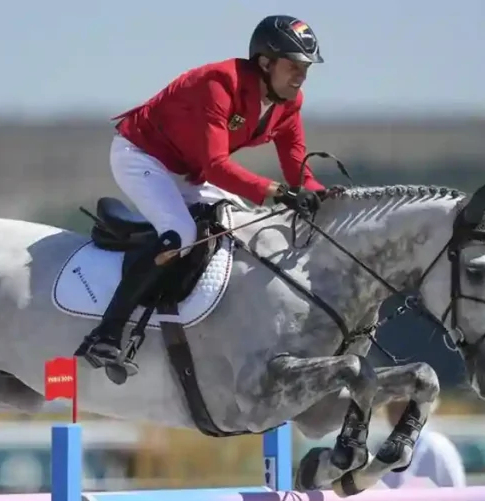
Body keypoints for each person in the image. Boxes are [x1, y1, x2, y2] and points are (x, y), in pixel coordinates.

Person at [76, 15, 331, 376]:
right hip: (141, 156)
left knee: (243, 225)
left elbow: (297, 168)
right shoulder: (219, 83)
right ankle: (108, 332)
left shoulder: (290, 102)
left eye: (305, 67)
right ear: (265, 62)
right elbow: (216, 166)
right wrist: (276, 192)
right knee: (179, 233)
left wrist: (323, 197)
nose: (301, 75)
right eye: (293, 65)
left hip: (187, 170)